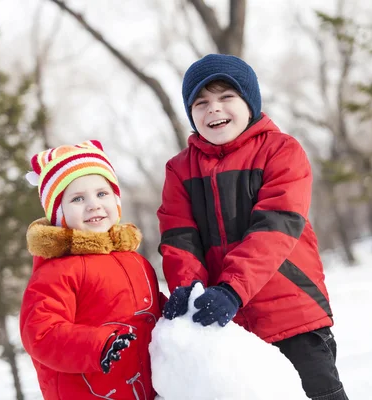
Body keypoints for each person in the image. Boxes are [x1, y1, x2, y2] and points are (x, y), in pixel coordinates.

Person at [157, 54, 349, 400]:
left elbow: (276, 226)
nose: (213, 109)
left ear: (249, 103)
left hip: (292, 313)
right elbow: (179, 237)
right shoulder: (180, 170)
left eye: (225, 97)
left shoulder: (281, 150)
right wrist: (189, 290)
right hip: (226, 326)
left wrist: (232, 288)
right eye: (201, 103)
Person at [20, 140, 163, 400]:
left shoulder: (133, 259)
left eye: (102, 194)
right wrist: (98, 346)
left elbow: (151, 309)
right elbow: (41, 333)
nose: (93, 205)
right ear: (59, 214)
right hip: (89, 391)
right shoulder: (57, 271)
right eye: (77, 199)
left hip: (142, 388)